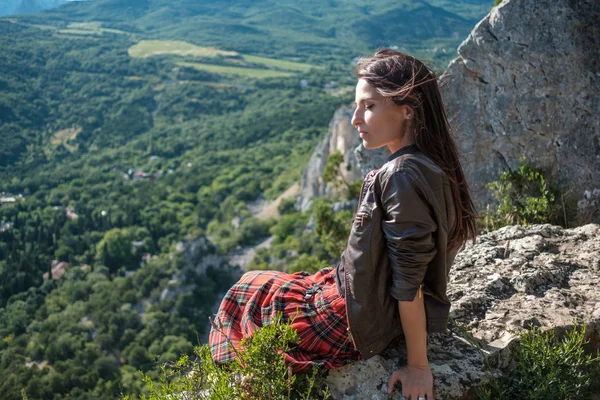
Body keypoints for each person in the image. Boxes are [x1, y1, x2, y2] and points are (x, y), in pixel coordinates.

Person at [209, 49, 477, 400]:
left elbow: (407, 283)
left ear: (407, 109)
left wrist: (418, 366)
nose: (355, 119)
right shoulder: (430, 165)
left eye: (369, 106)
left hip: (355, 319)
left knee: (244, 294)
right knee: (260, 285)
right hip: (363, 302)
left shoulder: (400, 177)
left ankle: (247, 383)